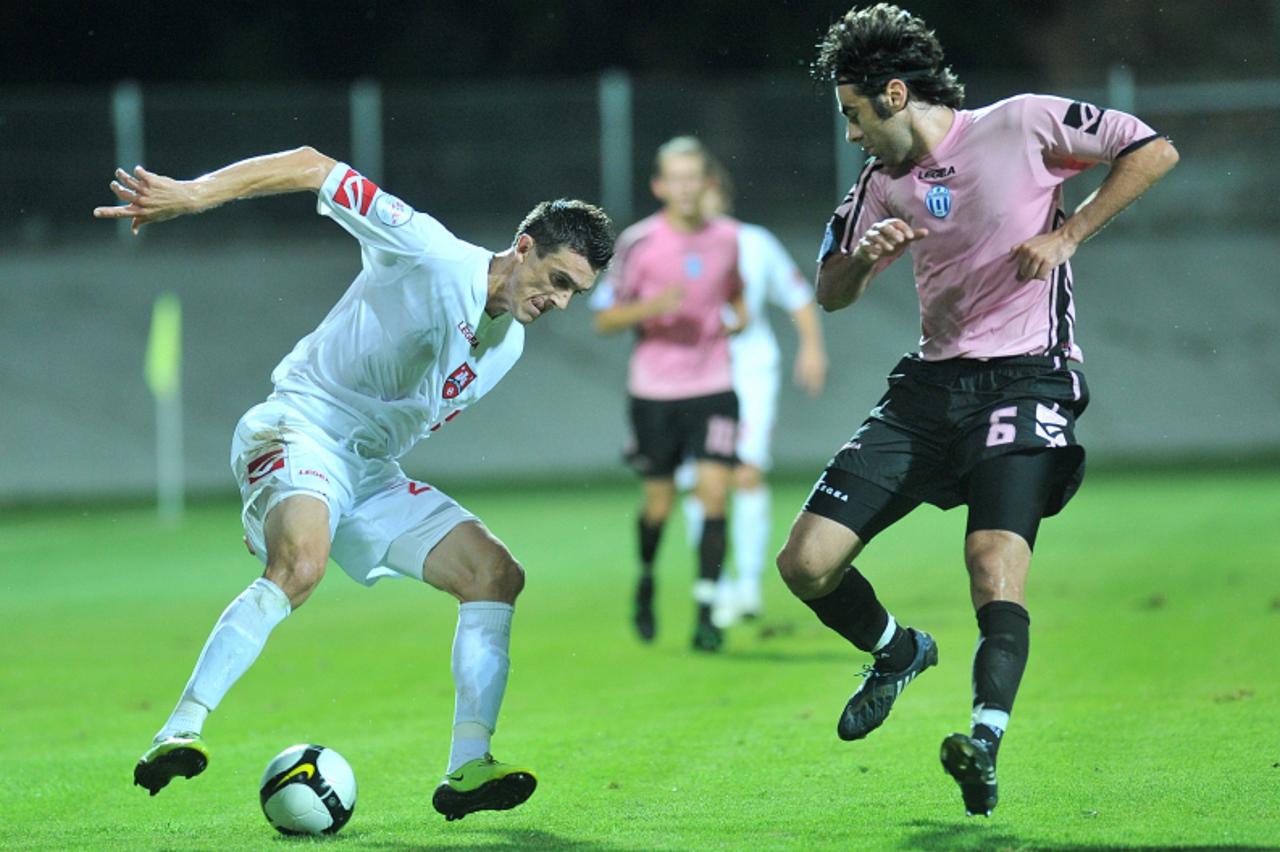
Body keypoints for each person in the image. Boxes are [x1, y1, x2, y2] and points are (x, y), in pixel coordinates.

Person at [93, 146, 614, 821]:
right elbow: (314, 165)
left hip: (367, 472)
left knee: (495, 575)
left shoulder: (507, 344)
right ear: (522, 247)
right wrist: (194, 194)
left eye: (575, 292)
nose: (561, 302)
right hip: (299, 427)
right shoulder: (427, 250)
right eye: (559, 279)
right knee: (301, 567)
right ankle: (178, 730)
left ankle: (467, 767)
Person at [776, 3, 1178, 817]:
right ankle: (898, 652)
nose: (851, 134)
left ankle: (983, 743)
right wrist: (863, 259)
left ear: (894, 94)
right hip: (929, 389)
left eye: (855, 116)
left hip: (1029, 376)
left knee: (992, 561)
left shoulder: (1023, 124)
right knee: (805, 564)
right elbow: (829, 292)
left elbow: (1152, 150)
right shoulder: (879, 185)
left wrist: (1071, 235)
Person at [591, 136, 748, 652]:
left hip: (714, 387)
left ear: (706, 183)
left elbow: (735, 289)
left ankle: (706, 612)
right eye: (673, 178)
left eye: (693, 178)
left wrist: (739, 314)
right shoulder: (638, 242)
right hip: (655, 393)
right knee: (658, 504)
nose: (684, 188)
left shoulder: (727, 238)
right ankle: (646, 579)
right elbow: (605, 318)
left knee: (714, 495)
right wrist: (652, 305)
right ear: (659, 185)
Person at [676, 159, 828, 627]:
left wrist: (812, 348)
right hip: (688, 377)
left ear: (719, 194)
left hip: (749, 373)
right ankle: (716, 585)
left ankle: (747, 585)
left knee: (745, 473)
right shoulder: (669, 246)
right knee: (702, 484)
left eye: (705, 190)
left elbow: (798, 295)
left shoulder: (754, 243)